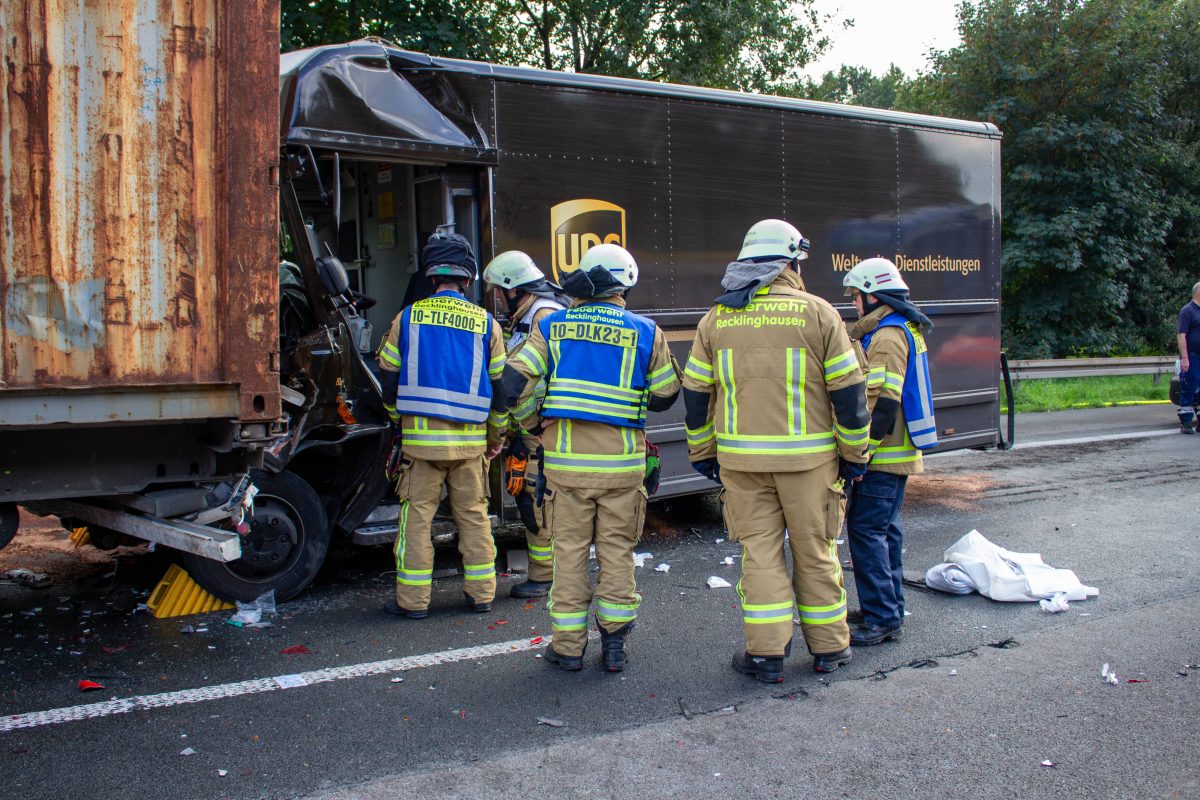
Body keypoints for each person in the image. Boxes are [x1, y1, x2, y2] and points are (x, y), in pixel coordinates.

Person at [681, 219, 870, 683]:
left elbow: (696, 394)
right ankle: (830, 649)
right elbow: (849, 395)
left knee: (760, 557)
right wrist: (854, 454)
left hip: (742, 465)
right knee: (816, 553)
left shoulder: (717, 318)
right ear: (791, 264)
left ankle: (766, 655)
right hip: (810, 464)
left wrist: (702, 452)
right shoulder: (819, 314)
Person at [500, 244, 681, 672]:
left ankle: (568, 649)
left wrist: (532, 423)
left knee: (569, 556)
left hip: (566, 468)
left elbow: (511, 383)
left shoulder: (553, 325)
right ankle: (614, 647)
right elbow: (667, 393)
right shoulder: (645, 331)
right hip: (622, 468)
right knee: (617, 554)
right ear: (625, 287)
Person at [376, 232, 508, 618]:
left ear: (432, 277)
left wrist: (398, 422)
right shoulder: (487, 324)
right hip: (470, 447)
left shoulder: (407, 319)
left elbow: (387, 380)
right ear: (467, 279)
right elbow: (500, 392)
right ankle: (482, 596)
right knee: (475, 518)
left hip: (420, 447)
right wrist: (496, 436)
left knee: (416, 522)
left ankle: (413, 602)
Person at [841, 257, 938, 646]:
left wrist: (861, 453)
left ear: (873, 295)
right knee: (884, 532)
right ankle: (886, 607)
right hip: (894, 454)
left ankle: (882, 618)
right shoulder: (902, 327)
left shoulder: (886, 335)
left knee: (866, 532)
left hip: (883, 456)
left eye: (855, 296)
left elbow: (882, 401)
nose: (853, 303)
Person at [481, 251, 568, 597]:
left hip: (541, 429)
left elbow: (520, 380)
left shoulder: (543, 316)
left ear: (514, 288)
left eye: (499, 291)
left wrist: (530, 425)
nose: (497, 298)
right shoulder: (524, 317)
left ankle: (546, 577)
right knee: (529, 499)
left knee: (537, 502)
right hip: (529, 428)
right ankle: (546, 573)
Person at [1176, 281, 1200, 434]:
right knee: (1189, 388)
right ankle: (1186, 423)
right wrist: (1185, 358)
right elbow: (1181, 335)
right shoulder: (1187, 311)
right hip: (1192, 357)